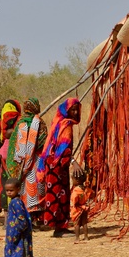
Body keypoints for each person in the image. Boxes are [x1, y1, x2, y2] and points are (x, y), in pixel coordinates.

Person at [40, 98, 83, 237]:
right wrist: (73, 162)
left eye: (77, 109)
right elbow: (63, 149)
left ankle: (60, 226)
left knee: (57, 193)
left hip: (52, 164)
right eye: (73, 109)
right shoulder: (66, 125)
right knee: (60, 195)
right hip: (57, 165)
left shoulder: (57, 122)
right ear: (67, 110)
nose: (75, 112)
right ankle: (59, 228)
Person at [6, 98, 48, 225]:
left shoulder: (20, 124)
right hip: (37, 161)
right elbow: (43, 141)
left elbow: (14, 145)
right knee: (37, 188)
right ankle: (36, 218)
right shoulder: (39, 122)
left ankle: (26, 217)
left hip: (22, 164)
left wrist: (21, 163)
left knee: (25, 190)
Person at [0, 99, 22, 214]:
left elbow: (0, 140)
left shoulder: (2, 124)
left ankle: (8, 217)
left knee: (6, 186)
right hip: (15, 157)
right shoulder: (20, 122)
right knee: (15, 185)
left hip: (4, 156)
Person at [1, 178, 33, 257]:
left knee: (16, 243)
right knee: (11, 243)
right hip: (12, 228)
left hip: (17, 228)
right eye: (7, 190)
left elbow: (21, 217)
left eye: (11, 190)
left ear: (18, 189)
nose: (9, 193)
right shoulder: (14, 201)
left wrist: (20, 228)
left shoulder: (16, 202)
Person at [71, 169, 89, 243]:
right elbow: (91, 194)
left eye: (73, 179)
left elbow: (74, 198)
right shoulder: (85, 189)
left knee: (77, 224)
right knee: (84, 223)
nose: (72, 181)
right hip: (85, 207)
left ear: (77, 181)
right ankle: (86, 237)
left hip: (78, 209)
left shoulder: (76, 190)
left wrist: (74, 204)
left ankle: (77, 238)